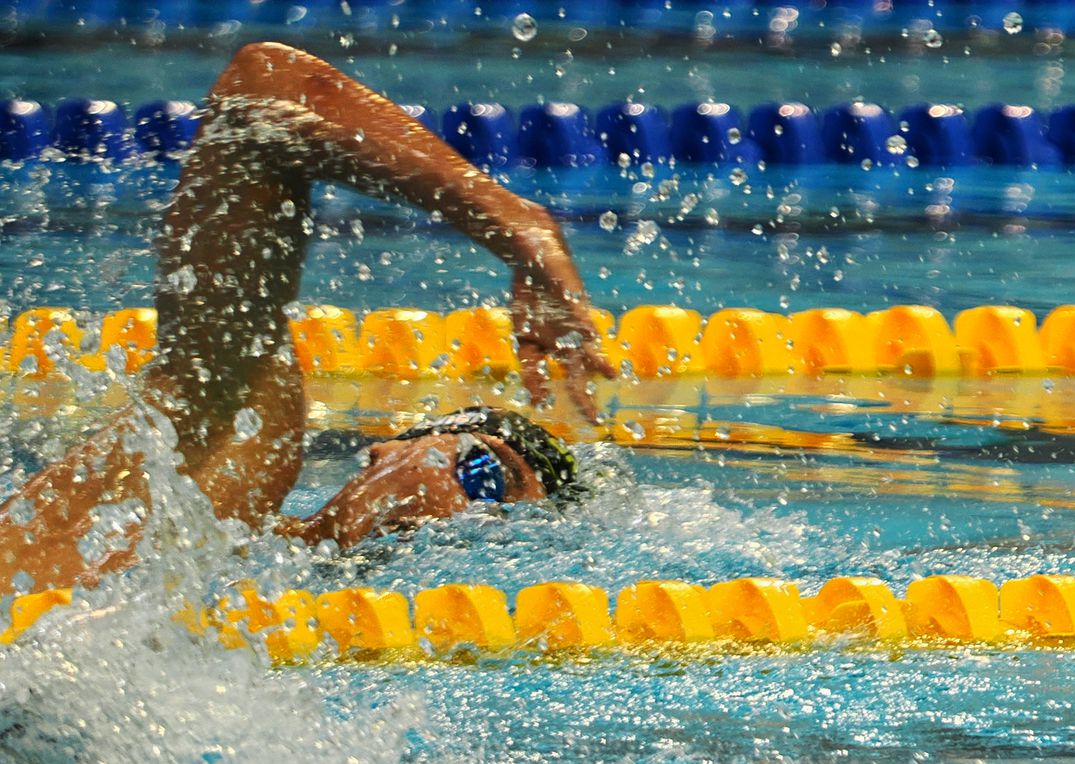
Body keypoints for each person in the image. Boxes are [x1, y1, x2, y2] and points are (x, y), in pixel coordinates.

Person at [0, 42, 615, 592]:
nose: (474, 521)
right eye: (482, 477)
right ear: (384, 452)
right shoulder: (217, 488)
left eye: (508, 530)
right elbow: (262, 87)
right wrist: (520, 230)